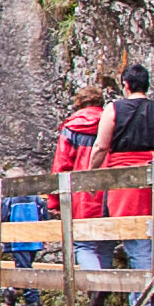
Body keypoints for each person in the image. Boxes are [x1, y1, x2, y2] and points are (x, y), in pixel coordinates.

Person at [83, 65, 154, 275]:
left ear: (125, 85)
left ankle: (144, 303)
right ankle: (148, 296)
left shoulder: (114, 109)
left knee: (137, 239)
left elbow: (101, 147)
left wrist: (91, 175)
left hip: (127, 182)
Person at [52, 76, 110, 268]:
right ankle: (105, 287)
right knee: (107, 242)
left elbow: (62, 165)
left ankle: (97, 285)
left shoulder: (71, 128)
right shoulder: (112, 123)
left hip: (81, 195)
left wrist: (55, 201)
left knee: (83, 244)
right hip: (110, 192)